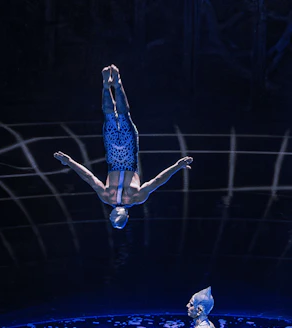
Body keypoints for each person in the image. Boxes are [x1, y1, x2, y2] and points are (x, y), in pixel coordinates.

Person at [53, 64, 193, 229]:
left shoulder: (107, 197)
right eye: (117, 218)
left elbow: (89, 177)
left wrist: (69, 162)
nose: (114, 215)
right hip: (128, 152)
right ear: (126, 215)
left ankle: (107, 86)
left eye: (112, 218)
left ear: (111, 215)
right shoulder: (137, 197)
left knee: (109, 117)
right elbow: (157, 181)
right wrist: (177, 166)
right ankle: (117, 84)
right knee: (123, 116)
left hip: (113, 154)